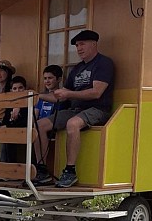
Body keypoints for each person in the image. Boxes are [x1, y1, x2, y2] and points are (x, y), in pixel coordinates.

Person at [33, 30, 115, 188]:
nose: (79, 48)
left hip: (98, 109)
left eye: (82, 44)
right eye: (77, 45)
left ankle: (70, 171)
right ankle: (42, 170)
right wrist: (36, 96)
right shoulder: (76, 69)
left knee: (72, 124)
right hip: (76, 109)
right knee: (40, 125)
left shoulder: (104, 63)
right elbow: (61, 96)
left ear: (94, 44)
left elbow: (97, 92)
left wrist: (68, 93)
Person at [0, 75, 29, 163]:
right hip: (10, 129)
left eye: (20, 88)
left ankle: (9, 167)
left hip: (23, 130)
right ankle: (3, 167)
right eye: (15, 88)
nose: (18, 91)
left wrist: (18, 111)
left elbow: (26, 121)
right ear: (11, 90)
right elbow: (5, 120)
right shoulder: (10, 104)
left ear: (25, 89)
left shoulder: (29, 103)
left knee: (9, 134)